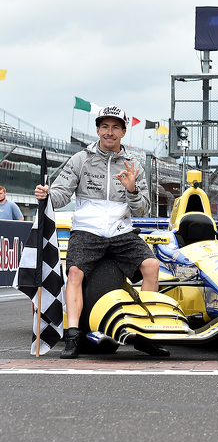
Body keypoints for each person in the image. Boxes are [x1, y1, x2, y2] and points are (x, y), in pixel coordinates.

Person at [34, 105, 167, 359]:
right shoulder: (80, 159)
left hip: (121, 232)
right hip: (87, 231)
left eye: (116, 127)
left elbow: (142, 210)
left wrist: (132, 190)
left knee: (152, 266)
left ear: (124, 132)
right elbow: (61, 195)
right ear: (97, 129)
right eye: (105, 126)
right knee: (74, 272)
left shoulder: (134, 165)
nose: (109, 132)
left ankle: (146, 334)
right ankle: (73, 336)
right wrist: (47, 194)